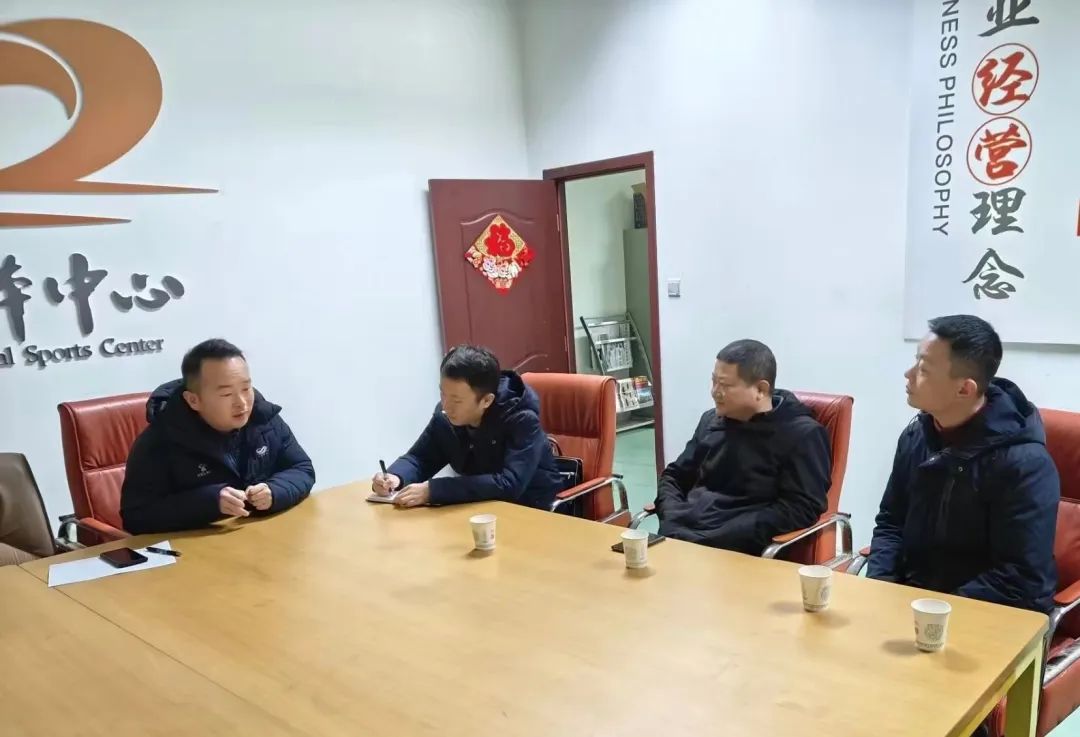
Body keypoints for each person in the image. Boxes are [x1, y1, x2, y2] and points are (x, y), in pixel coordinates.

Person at [868, 315, 1058, 613]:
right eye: (916, 362)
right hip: (917, 603)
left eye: (924, 369)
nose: (909, 374)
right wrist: (882, 585)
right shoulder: (916, 435)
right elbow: (891, 522)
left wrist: (933, 611)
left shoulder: (1025, 464)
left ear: (964, 389)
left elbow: (1021, 578)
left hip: (987, 614)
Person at [653, 339, 831, 554]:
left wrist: (719, 535)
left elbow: (800, 508)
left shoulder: (802, 435)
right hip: (682, 537)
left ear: (760, 389)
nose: (715, 392)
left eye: (725, 385)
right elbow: (674, 476)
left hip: (737, 549)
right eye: (713, 382)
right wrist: (673, 516)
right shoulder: (710, 421)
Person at [121, 339, 315, 534]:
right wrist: (209, 502)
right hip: (199, 546)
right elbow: (136, 516)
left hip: (263, 535)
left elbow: (302, 468)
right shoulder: (159, 442)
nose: (242, 403)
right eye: (226, 394)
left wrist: (275, 490)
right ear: (193, 400)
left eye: (246, 388)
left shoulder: (263, 418)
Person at [371, 345, 563, 510]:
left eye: (456, 400)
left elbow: (509, 484)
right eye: (443, 394)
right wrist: (395, 477)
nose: (446, 406)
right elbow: (419, 458)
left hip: (533, 510)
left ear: (486, 400)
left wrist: (434, 490)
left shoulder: (521, 419)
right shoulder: (446, 416)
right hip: (479, 508)